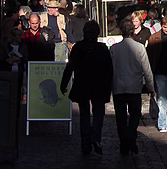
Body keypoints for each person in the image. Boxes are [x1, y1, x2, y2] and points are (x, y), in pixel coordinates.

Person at [60, 20, 112, 155]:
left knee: (84, 114)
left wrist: (64, 84)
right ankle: (95, 137)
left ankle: (85, 143)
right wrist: (110, 87)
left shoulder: (78, 47)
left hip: (82, 85)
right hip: (99, 86)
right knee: (99, 113)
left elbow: (69, 67)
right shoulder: (102, 48)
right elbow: (109, 70)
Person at [111, 17, 155, 155]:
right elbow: (147, 70)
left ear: (121, 31)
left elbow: (110, 69)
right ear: (133, 32)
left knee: (121, 117)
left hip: (118, 87)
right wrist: (151, 87)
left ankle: (124, 142)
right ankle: (130, 136)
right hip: (134, 87)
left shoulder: (114, 49)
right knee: (135, 114)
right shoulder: (140, 48)